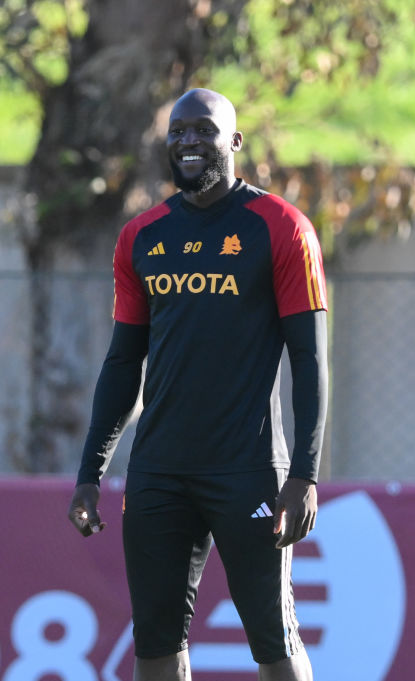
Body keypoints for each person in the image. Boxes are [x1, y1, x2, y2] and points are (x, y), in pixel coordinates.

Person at [67, 88, 328, 681]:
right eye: (178, 131)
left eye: (203, 131)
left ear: (233, 142)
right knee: (155, 643)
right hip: (159, 471)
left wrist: (305, 475)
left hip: (249, 470)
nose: (188, 142)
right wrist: (91, 472)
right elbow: (122, 363)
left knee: (273, 639)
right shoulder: (143, 236)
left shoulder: (282, 228)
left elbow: (310, 361)